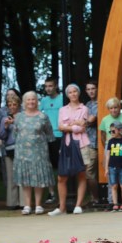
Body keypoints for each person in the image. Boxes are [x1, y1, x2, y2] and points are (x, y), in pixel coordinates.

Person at [12, 91, 54, 215]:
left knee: (38, 178)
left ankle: (38, 205)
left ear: (37, 101)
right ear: (24, 102)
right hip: (22, 152)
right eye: (28, 100)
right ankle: (27, 205)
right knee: (26, 179)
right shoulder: (19, 117)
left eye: (33, 99)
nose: (31, 102)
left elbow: (49, 134)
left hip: (39, 152)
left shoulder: (43, 116)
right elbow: (15, 133)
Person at [52, 84, 90, 215]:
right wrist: (74, 125)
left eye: (75, 92)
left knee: (81, 174)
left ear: (78, 93)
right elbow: (60, 127)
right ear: (67, 95)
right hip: (67, 144)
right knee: (62, 176)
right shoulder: (63, 109)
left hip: (82, 144)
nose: (73, 94)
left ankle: (78, 205)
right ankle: (61, 207)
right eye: (70, 92)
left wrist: (69, 125)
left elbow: (82, 127)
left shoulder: (84, 108)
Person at [99, 97, 122, 207]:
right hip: (110, 146)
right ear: (108, 109)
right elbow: (103, 134)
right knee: (111, 177)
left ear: (119, 107)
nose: (114, 110)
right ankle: (111, 202)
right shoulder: (105, 119)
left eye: (116, 107)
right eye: (111, 108)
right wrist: (106, 146)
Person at [0, 90, 21, 209]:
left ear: (19, 105)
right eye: (9, 105)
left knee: (22, 176)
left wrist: (15, 122)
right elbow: (0, 135)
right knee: (11, 176)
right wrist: (5, 127)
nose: (12, 107)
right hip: (9, 150)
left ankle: (24, 202)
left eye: (14, 105)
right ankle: (12, 202)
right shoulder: (4, 118)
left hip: (22, 149)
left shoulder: (23, 117)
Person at [38, 77, 63, 201]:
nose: (48, 88)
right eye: (46, 86)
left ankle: (63, 192)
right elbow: (39, 115)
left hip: (60, 136)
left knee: (60, 166)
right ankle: (52, 193)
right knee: (48, 166)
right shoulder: (43, 101)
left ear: (56, 86)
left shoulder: (62, 99)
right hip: (47, 137)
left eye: (50, 86)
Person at [106, 122, 122, 211]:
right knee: (114, 185)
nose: (111, 133)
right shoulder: (110, 141)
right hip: (112, 166)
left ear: (119, 130)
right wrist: (106, 168)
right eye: (110, 131)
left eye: (113, 131)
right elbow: (108, 155)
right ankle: (115, 203)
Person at [83, 79, 100, 206]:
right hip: (89, 141)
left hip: (102, 141)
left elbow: (91, 120)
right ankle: (95, 198)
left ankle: (109, 197)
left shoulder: (102, 102)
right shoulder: (87, 105)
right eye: (88, 89)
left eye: (93, 88)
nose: (91, 91)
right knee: (89, 171)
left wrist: (83, 122)